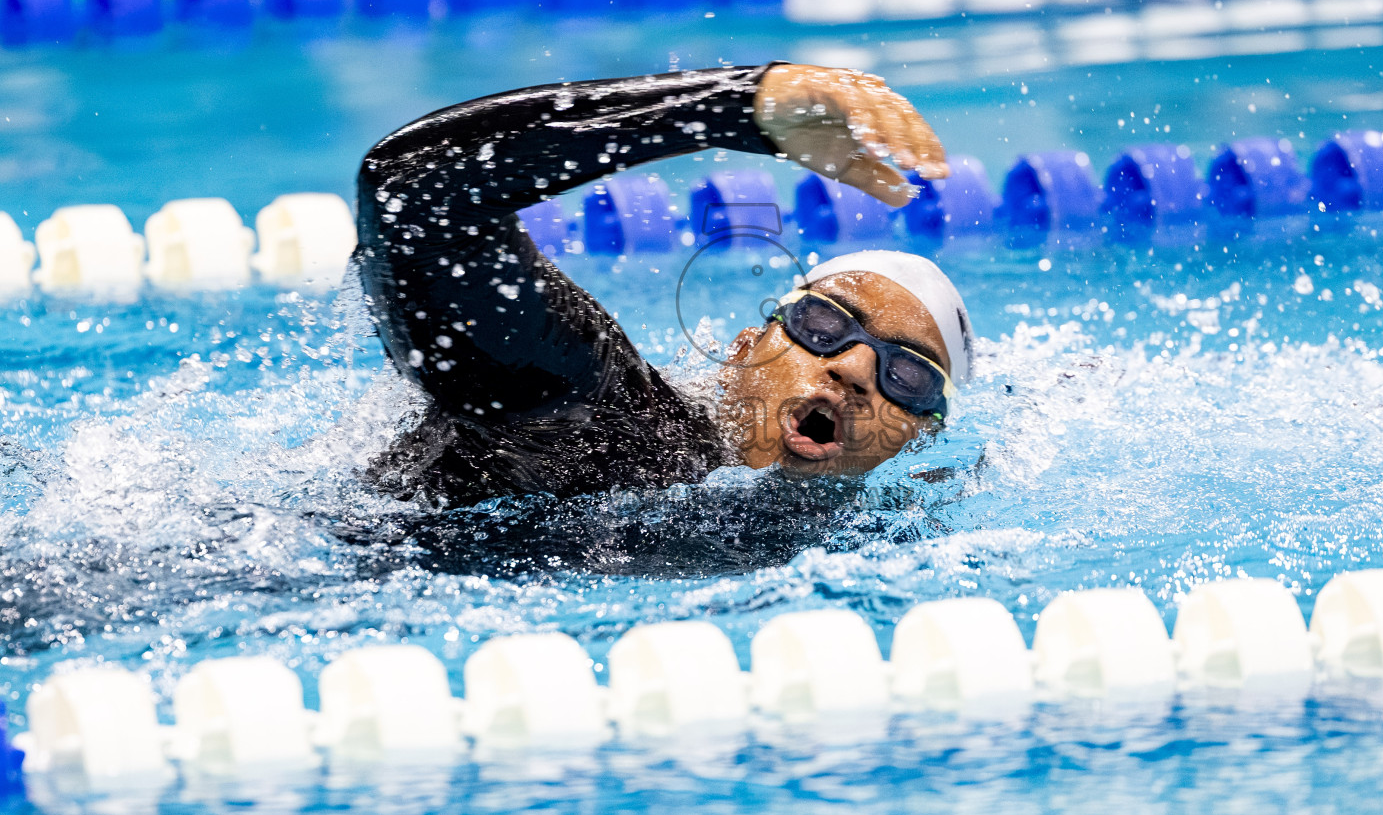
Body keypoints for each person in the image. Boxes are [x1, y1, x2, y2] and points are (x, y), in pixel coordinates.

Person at [356, 62, 975, 506]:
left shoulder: (867, 538)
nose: (858, 368)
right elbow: (413, 190)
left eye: (910, 375)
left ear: (915, 443)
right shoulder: (610, 413)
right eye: (824, 325)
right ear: (741, 352)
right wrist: (736, 106)